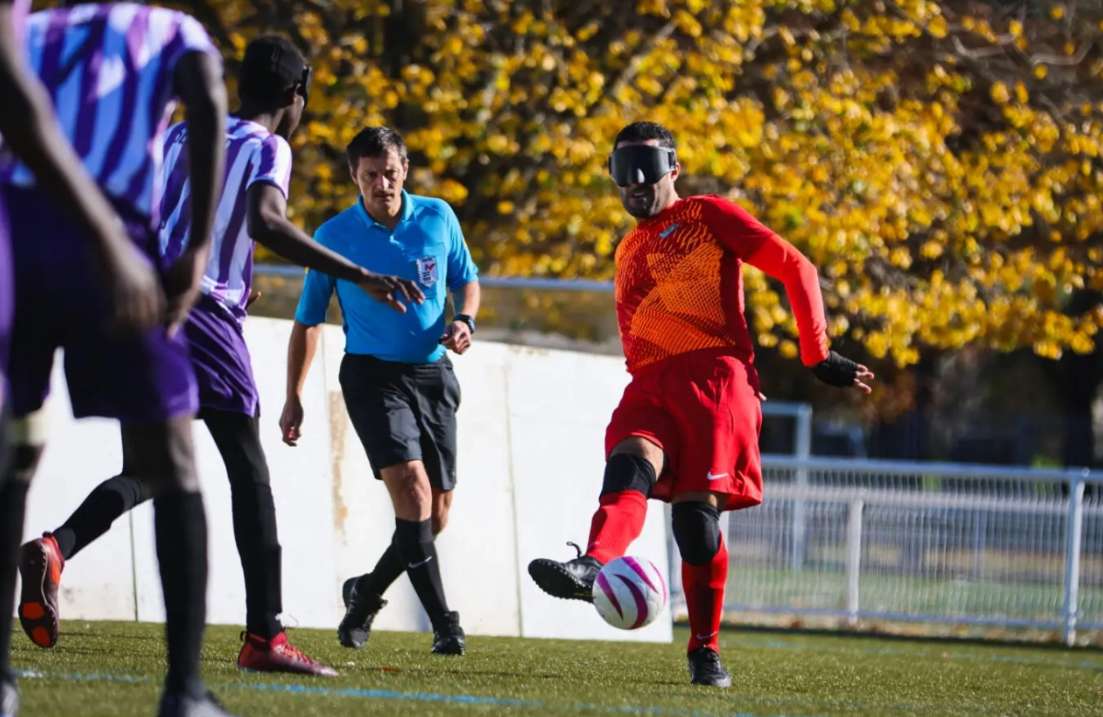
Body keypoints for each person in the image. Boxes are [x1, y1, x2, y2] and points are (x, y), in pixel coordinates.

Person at [14, 36, 424, 681]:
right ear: (297, 95)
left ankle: (53, 547)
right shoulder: (269, 146)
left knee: (148, 468)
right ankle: (265, 634)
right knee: (248, 471)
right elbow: (264, 219)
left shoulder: (180, 135)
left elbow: (169, 214)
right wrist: (358, 273)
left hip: (137, 302)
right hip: (200, 310)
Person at [527, 121, 874, 688]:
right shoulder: (628, 245)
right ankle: (592, 564)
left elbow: (797, 267)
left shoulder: (707, 215)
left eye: (647, 166)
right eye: (622, 170)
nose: (635, 182)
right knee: (627, 466)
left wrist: (817, 355)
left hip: (716, 380)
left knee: (696, 527)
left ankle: (704, 650)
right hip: (649, 383)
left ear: (674, 169)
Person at [0, 3, 230, 715]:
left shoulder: (29, 31)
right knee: (172, 459)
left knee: (15, 452)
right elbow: (209, 100)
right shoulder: (172, 31)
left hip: (15, 233)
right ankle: (184, 691)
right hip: (109, 240)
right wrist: (193, 249)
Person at [279, 126, 480, 656]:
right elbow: (307, 321)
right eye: (370, 175)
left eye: (390, 172)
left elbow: (468, 278)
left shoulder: (438, 216)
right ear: (354, 176)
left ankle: (365, 595)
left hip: (434, 375)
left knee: (433, 515)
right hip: (371, 376)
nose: (382, 184)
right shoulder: (334, 236)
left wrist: (466, 321)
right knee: (412, 492)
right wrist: (293, 395)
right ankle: (445, 623)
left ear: (405, 170)